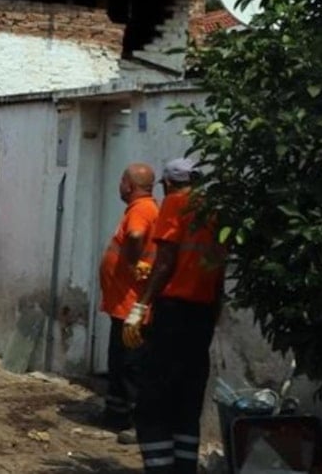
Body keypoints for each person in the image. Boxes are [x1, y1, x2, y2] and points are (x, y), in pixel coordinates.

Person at [124, 158, 226, 474]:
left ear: (168, 184)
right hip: (202, 314)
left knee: (152, 403)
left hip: (173, 314)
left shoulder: (176, 202)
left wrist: (141, 306)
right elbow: (220, 270)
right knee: (187, 402)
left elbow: (166, 260)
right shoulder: (215, 209)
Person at [97, 163, 158, 441]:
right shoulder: (142, 208)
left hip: (132, 305)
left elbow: (134, 235)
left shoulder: (141, 210)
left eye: (122, 181)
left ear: (129, 186)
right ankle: (115, 414)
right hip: (122, 303)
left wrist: (134, 263)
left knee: (132, 365)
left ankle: (137, 422)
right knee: (119, 361)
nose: (119, 186)